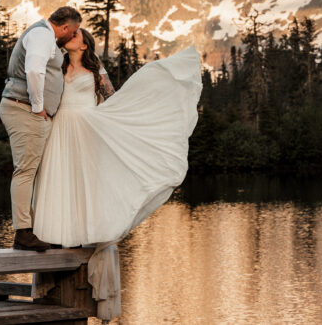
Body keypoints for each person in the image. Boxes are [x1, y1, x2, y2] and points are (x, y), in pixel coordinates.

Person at [29, 28, 202, 320]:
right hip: (60, 131)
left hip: (87, 130)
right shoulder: (55, 65)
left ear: (84, 43)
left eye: (75, 34)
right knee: (57, 186)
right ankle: (56, 244)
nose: (69, 36)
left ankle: (84, 238)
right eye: (67, 33)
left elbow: (114, 100)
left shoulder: (96, 70)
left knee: (86, 187)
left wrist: (116, 124)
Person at [0, 6, 82, 252]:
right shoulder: (41, 35)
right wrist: (38, 107)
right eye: (74, 31)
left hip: (26, 109)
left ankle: (38, 229)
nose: (75, 35)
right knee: (25, 171)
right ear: (65, 27)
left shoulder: (46, 37)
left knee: (33, 170)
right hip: (24, 108)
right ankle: (23, 233)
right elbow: (34, 70)